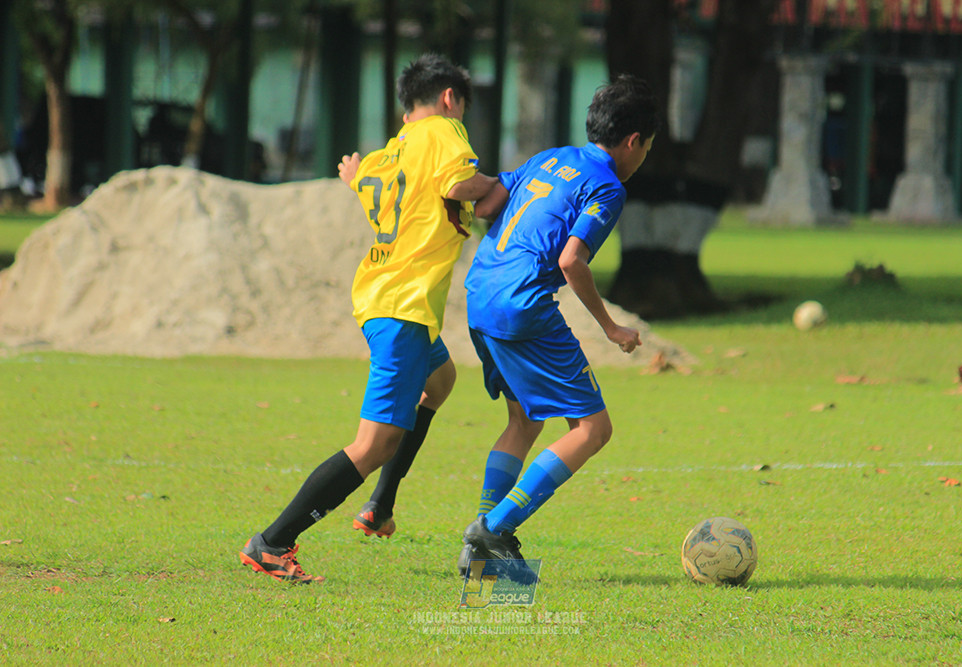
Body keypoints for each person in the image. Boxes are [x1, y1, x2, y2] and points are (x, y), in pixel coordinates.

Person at [239, 53, 497, 583]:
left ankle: (380, 506)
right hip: (403, 309)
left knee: (441, 381)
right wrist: (505, 183)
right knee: (373, 444)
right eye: (460, 107)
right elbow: (457, 185)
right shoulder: (444, 130)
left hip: (385, 299)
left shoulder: (387, 154)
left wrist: (356, 177)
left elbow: (381, 192)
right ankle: (272, 542)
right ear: (449, 99)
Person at [458, 74, 660, 582]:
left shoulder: (549, 158)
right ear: (633, 141)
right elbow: (572, 261)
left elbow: (485, 205)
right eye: (647, 148)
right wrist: (611, 327)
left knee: (524, 420)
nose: (643, 158)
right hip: (522, 304)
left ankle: (481, 554)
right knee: (593, 429)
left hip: (480, 292)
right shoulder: (607, 186)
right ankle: (492, 530)